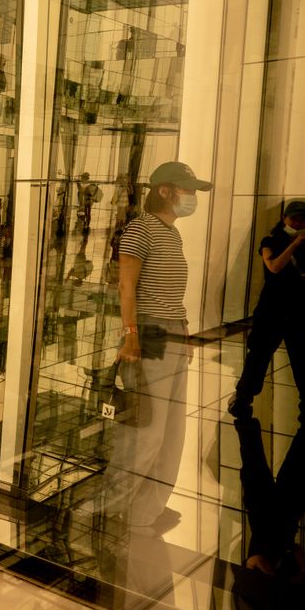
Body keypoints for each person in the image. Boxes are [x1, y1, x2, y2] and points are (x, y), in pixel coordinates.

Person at [105, 161, 212, 531]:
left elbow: (171, 293)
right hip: (150, 334)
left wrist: (184, 334)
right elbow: (126, 286)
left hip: (173, 334)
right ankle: (111, 510)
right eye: (188, 189)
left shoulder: (173, 234)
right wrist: (131, 334)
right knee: (146, 431)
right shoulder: (140, 229)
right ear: (165, 191)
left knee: (171, 430)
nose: (192, 197)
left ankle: (144, 511)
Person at [228, 200, 305, 574]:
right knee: (257, 361)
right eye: (294, 217)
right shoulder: (272, 238)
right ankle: (243, 398)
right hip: (272, 312)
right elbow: (273, 267)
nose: (297, 222)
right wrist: (297, 241)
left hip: (299, 316)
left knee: (261, 478)